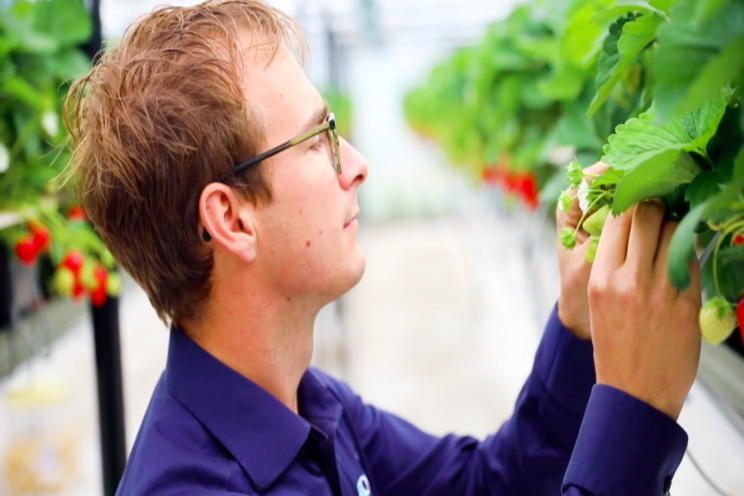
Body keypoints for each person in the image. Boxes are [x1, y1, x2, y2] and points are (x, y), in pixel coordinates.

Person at [64, 1, 702, 495]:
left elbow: (491, 484)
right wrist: (634, 417)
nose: (358, 166)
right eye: (318, 141)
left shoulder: (308, 403)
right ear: (230, 218)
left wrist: (576, 324)